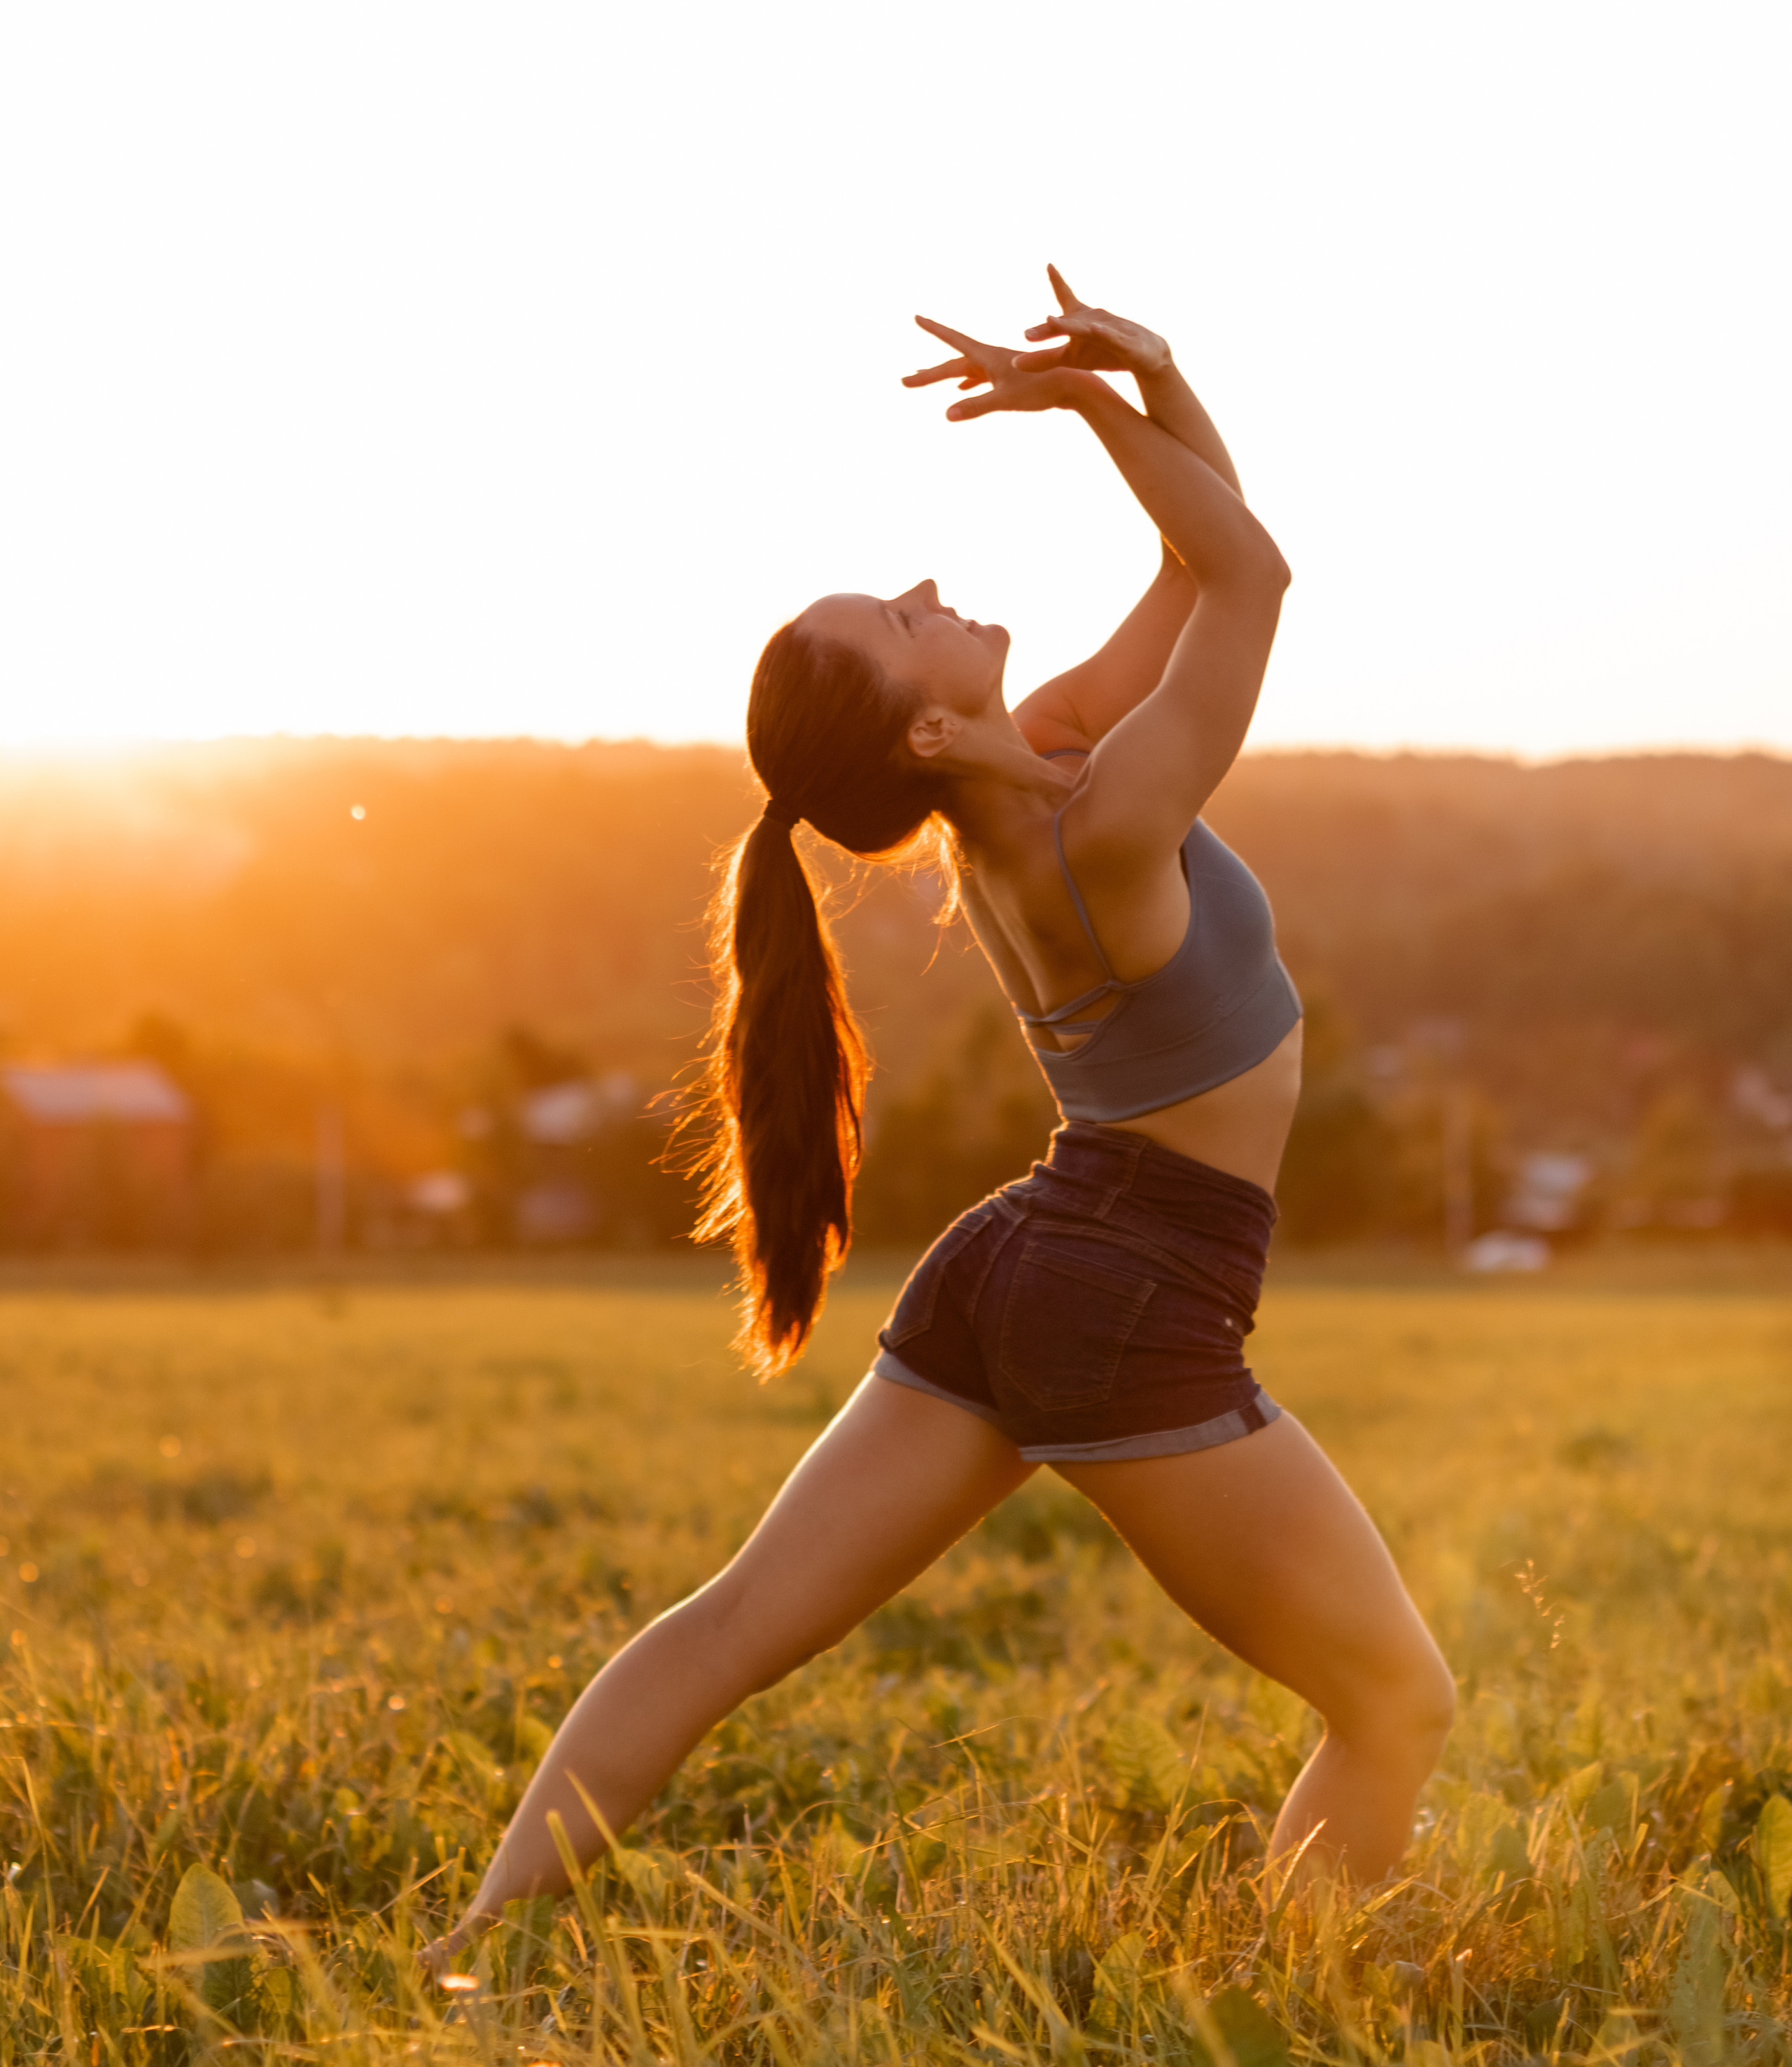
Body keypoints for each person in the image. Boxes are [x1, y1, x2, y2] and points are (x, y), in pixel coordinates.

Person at [427, 269, 1454, 1963]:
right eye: (895, 615)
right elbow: (1257, 574)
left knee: (734, 1624)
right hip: (1128, 1281)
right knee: (1395, 1701)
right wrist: (1096, 414)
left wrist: (1153, 376)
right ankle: (1305, 2022)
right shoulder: (1103, 817)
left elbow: (1203, 559)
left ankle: (470, 1944)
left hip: (1030, 1258)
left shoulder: (1044, 761)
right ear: (918, 721)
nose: (922, 586)